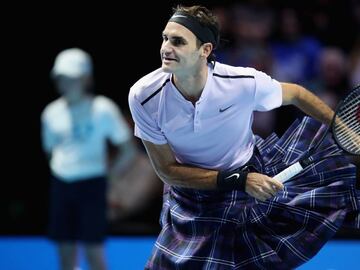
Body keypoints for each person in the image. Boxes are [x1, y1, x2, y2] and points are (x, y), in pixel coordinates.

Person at [128, 5, 359, 270]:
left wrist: (345, 129)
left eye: (178, 41)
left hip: (249, 173)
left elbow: (296, 94)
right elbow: (167, 171)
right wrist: (239, 181)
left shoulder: (241, 82)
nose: (166, 48)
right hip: (191, 194)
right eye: (165, 38)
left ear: (205, 50)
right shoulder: (143, 96)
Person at [41, 48, 136, 270]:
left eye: (72, 78)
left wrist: (108, 176)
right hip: (61, 186)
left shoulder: (103, 109)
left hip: (92, 186)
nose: (66, 84)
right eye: (61, 78)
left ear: (86, 79)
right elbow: (50, 152)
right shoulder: (50, 113)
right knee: (65, 253)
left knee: (94, 252)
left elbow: (128, 150)